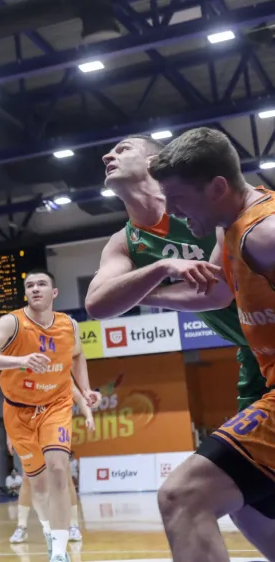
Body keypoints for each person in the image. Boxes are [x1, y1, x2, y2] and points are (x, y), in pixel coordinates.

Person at [127, 127, 275, 561]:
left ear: (217, 187)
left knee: (183, 496)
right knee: (244, 502)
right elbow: (213, 293)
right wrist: (137, 290)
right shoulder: (230, 229)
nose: (170, 210)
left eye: (177, 199)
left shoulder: (262, 235)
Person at [84, 134, 269, 412]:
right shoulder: (124, 242)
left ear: (153, 161)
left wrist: (135, 293)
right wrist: (161, 269)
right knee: (244, 452)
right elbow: (96, 304)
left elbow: (217, 293)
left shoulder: (208, 206)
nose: (107, 157)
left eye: (123, 149)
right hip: (254, 350)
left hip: (265, 337)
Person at [0, 270, 99, 562]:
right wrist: (20, 360)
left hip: (56, 405)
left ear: (54, 293)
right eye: (30, 285)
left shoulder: (69, 325)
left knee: (58, 469)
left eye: (42, 284)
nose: (35, 289)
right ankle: (46, 530)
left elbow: (78, 356)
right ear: (25, 293)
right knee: (38, 485)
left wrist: (86, 390)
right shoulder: (12, 323)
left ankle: (58, 550)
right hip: (18, 411)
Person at [9, 384, 95, 545]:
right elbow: (11, 404)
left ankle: (74, 525)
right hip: (29, 431)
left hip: (53, 427)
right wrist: (10, 434)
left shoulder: (58, 370)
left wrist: (88, 414)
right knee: (28, 479)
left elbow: (77, 394)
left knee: (63, 476)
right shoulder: (24, 374)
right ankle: (22, 527)